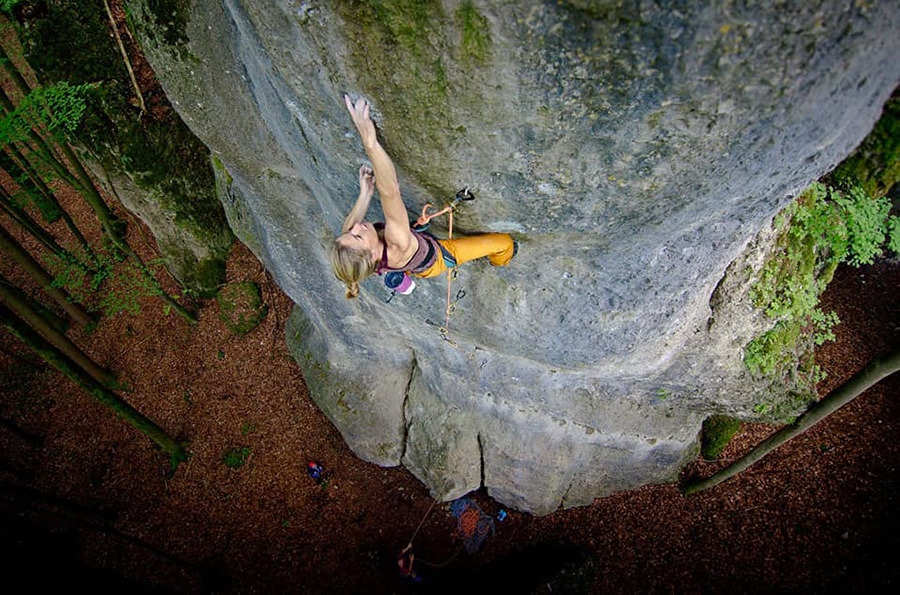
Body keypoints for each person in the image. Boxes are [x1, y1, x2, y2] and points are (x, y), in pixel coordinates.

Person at [331, 95, 516, 299]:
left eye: (350, 232)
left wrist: (365, 194)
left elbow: (348, 228)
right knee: (505, 243)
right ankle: (500, 261)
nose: (356, 227)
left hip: (410, 248)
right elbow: (390, 189)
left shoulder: (359, 256)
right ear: (373, 255)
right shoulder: (397, 242)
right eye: (357, 235)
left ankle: (406, 267)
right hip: (434, 258)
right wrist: (370, 142)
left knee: (357, 237)